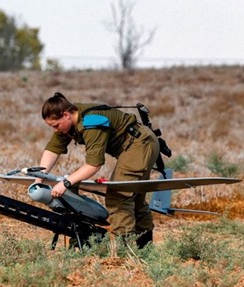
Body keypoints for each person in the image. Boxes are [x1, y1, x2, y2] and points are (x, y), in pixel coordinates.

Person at [38, 92, 160, 249]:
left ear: (66, 115)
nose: (55, 130)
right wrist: (39, 178)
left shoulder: (91, 123)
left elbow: (94, 165)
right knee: (134, 198)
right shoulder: (69, 122)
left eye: (56, 125)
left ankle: (124, 252)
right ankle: (145, 249)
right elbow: (53, 149)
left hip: (140, 145)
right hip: (137, 145)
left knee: (119, 196)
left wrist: (65, 183)